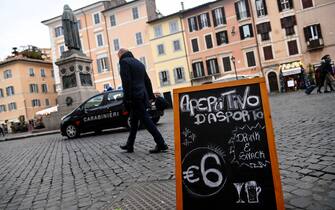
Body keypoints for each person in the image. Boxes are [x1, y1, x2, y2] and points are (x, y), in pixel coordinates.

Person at [118, 48, 168, 153]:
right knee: (134, 122)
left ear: (121, 54)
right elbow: (147, 81)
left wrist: (127, 99)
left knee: (146, 120)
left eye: (118, 56)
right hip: (142, 96)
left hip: (134, 97)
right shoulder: (139, 63)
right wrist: (150, 97)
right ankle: (129, 145)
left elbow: (126, 82)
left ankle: (161, 143)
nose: (118, 58)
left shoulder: (124, 62)